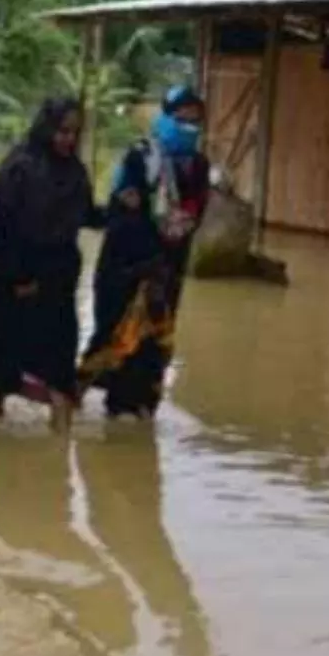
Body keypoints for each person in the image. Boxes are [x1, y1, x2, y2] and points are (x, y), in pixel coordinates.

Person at [79, 84, 211, 420]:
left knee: (154, 347)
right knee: (113, 339)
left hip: (167, 273)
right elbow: (122, 213)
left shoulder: (197, 167)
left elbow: (191, 219)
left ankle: (141, 414)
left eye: (195, 121)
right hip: (125, 270)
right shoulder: (141, 156)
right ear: (166, 117)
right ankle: (79, 404)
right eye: (181, 118)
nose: (188, 127)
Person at [0, 98, 100, 431]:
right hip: (13, 278)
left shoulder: (75, 171)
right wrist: (20, 277)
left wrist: (120, 210)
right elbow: (1, 223)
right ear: (47, 129)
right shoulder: (18, 167)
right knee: (2, 361)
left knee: (61, 363)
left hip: (58, 280)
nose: (69, 140)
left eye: (75, 133)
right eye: (62, 131)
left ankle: (60, 448)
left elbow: (87, 215)